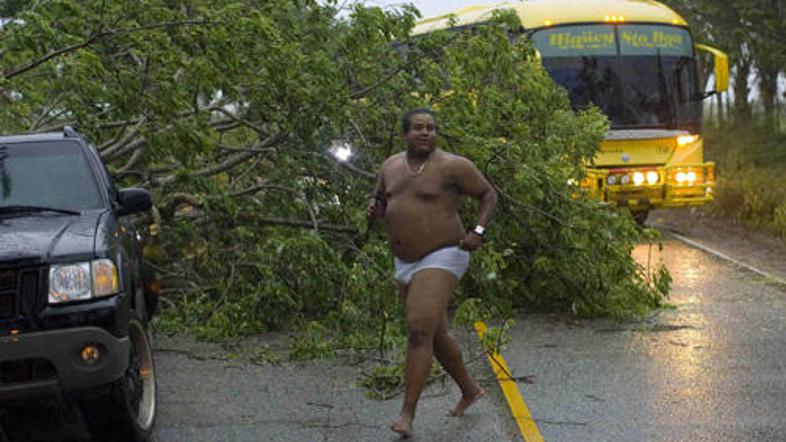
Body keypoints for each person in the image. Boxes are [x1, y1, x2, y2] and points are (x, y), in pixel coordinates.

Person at [366, 108, 498, 438]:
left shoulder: (453, 166)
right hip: (404, 261)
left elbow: (488, 194)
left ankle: (406, 415)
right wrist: (376, 209)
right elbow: (380, 200)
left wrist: (478, 231)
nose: (426, 132)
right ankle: (470, 390)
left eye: (431, 128)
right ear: (405, 134)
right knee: (434, 335)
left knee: (418, 331)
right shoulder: (390, 166)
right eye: (418, 128)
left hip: (444, 254)